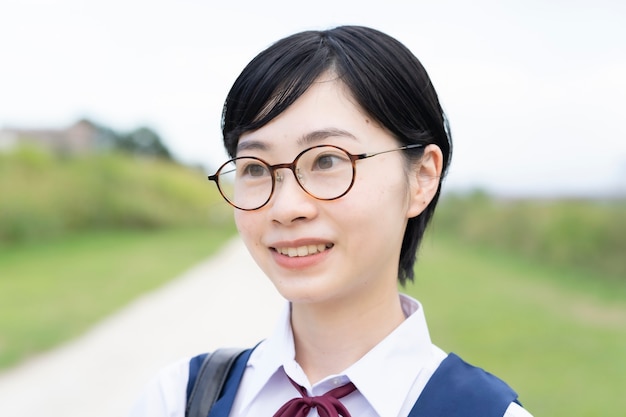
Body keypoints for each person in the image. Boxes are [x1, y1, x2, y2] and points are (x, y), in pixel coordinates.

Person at [129, 25, 532, 417]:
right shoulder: (178, 399)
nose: (286, 207)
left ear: (422, 176)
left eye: (327, 160)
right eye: (254, 168)